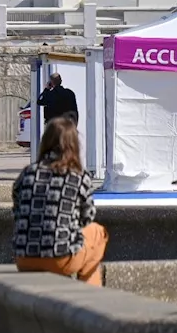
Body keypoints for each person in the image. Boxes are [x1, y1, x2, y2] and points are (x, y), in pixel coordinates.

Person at [12, 117, 108, 286]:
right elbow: (87, 217)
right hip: (60, 259)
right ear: (74, 145)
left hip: (24, 258)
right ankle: (90, 293)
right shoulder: (78, 176)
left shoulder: (27, 173)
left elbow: (17, 212)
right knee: (98, 233)